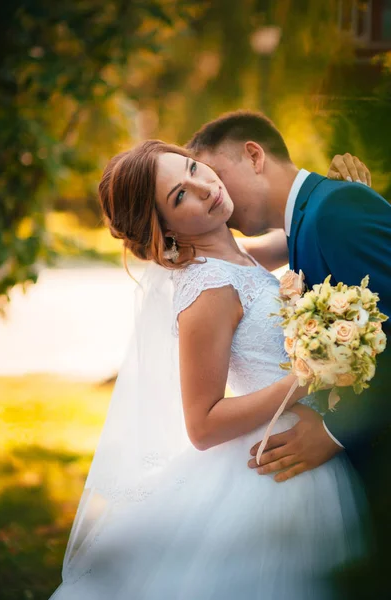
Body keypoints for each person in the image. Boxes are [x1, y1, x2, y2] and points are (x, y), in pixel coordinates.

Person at [49, 140, 370, 600]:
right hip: (274, 467)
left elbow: (301, 229)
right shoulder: (208, 289)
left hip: (301, 451)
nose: (204, 187)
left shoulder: (241, 257)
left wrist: (344, 196)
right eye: (179, 196)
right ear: (165, 229)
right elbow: (201, 425)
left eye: (194, 168)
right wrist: (302, 377)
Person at [187, 110, 391, 597]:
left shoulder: (336, 210)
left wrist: (335, 431)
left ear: (254, 155)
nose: (219, 198)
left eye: (218, 178)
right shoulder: (307, 220)